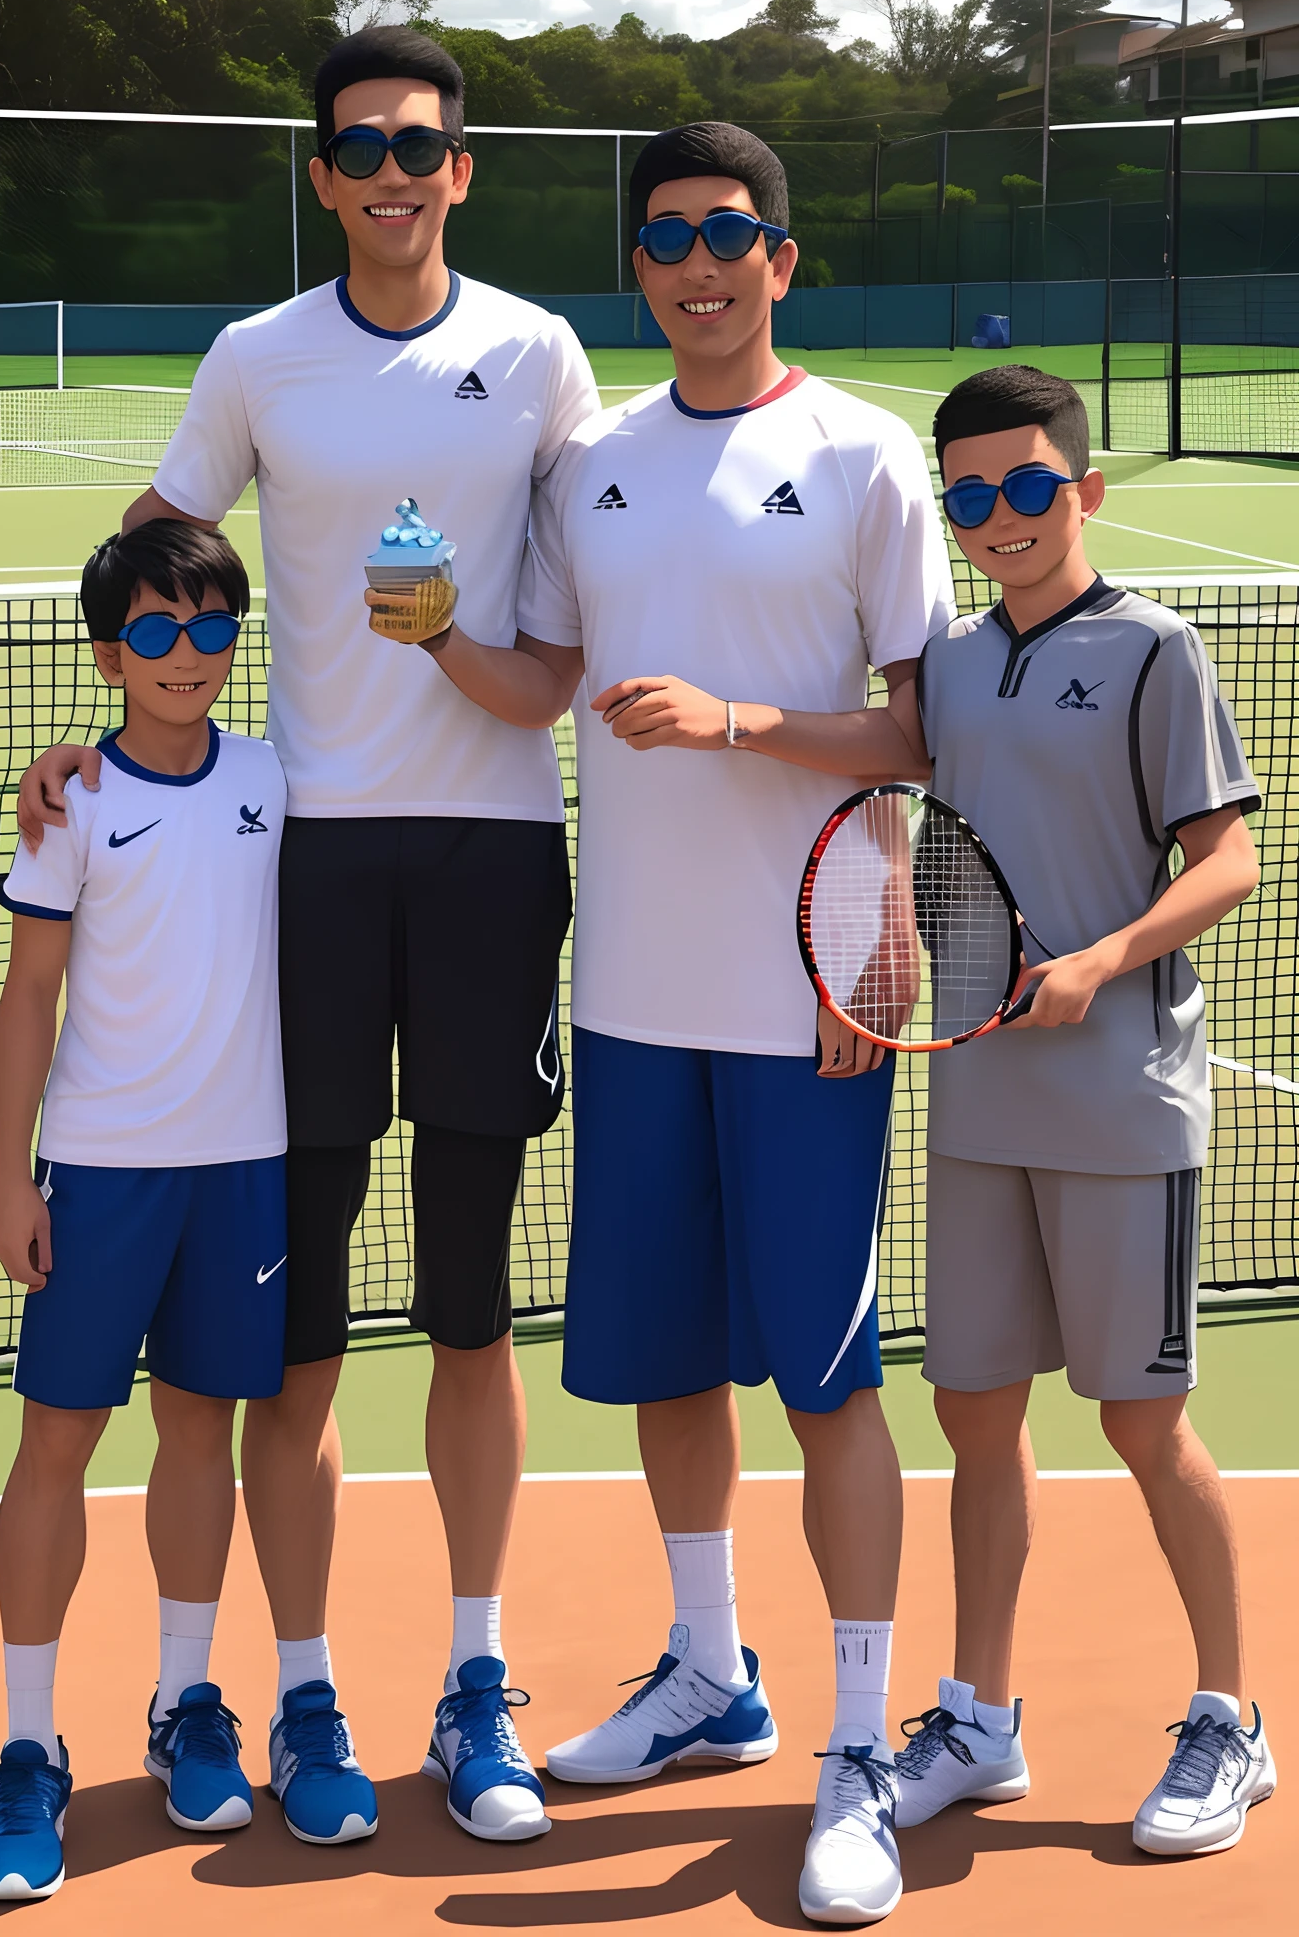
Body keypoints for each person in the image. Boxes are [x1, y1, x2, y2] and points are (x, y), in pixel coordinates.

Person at [14, 24, 598, 1845]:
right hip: (321, 865)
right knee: (306, 1334)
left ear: (460, 167)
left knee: (472, 1307)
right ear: (326, 172)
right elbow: (158, 539)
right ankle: (304, 1686)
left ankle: (478, 1676)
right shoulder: (258, 354)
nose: (397, 168)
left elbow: (574, 636)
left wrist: (452, 651)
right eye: (365, 143)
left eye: (425, 141)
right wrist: (93, 710)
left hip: (499, 852)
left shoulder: (541, 353)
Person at [383, 120, 954, 1925]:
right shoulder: (592, 467)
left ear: (782, 258)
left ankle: (858, 1748)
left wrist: (751, 745)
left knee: (832, 1377)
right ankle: (712, 1675)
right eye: (664, 240)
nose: (697, 265)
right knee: (673, 1366)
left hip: (810, 1003)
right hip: (628, 1001)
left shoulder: (863, 453)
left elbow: (920, 731)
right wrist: (429, 642)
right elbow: (544, 677)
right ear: (638, 270)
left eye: (729, 234)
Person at [893, 364, 1276, 1857]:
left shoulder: (1152, 650)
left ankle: (1228, 1720)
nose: (1001, 516)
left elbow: (1228, 855)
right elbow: (899, 772)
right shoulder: (953, 657)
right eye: (971, 494)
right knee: (974, 1413)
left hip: (1120, 1104)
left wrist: (1108, 957)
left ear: (1084, 490)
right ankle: (981, 1716)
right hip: (978, 1096)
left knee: (1143, 1420)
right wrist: (729, 725)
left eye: (1029, 486)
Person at [0, 522, 309, 1899]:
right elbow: (27, 999)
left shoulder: (280, 781)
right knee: (56, 1446)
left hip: (246, 1172)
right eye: (156, 632)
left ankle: (183, 1706)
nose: (186, 653)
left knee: (199, 1437)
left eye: (212, 626)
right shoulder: (75, 804)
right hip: (100, 1176)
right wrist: (10, 1171)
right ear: (109, 655)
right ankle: (29, 1746)